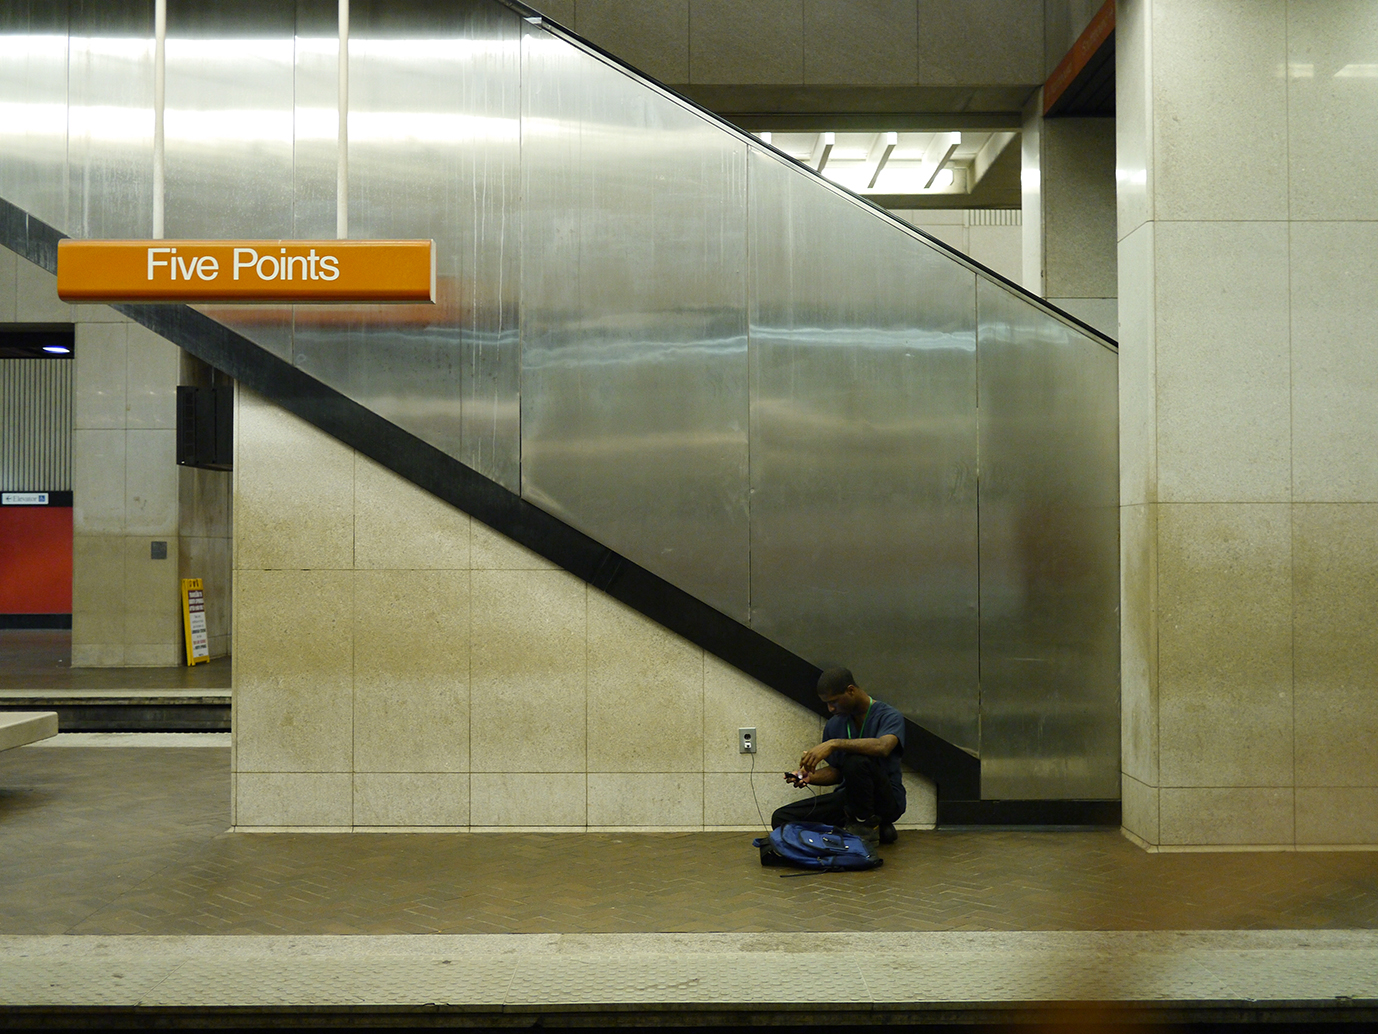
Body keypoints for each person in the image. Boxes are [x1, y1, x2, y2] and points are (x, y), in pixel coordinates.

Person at [772, 667, 906, 852]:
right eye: (827, 703)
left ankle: (864, 828)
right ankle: (868, 828)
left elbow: (883, 747)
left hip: (885, 799)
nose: (831, 708)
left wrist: (834, 744)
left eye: (834, 701)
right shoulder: (835, 724)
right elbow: (837, 772)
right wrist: (809, 777)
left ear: (851, 690)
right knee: (781, 818)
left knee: (856, 760)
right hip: (849, 799)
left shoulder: (889, 716)